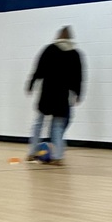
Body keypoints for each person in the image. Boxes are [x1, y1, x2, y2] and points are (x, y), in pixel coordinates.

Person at [26, 26, 84, 166]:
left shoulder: (49, 49)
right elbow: (79, 76)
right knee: (57, 126)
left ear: (58, 36)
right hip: (62, 95)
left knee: (38, 124)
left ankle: (32, 152)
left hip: (47, 92)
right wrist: (78, 93)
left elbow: (38, 69)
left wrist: (31, 84)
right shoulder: (75, 54)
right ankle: (58, 156)